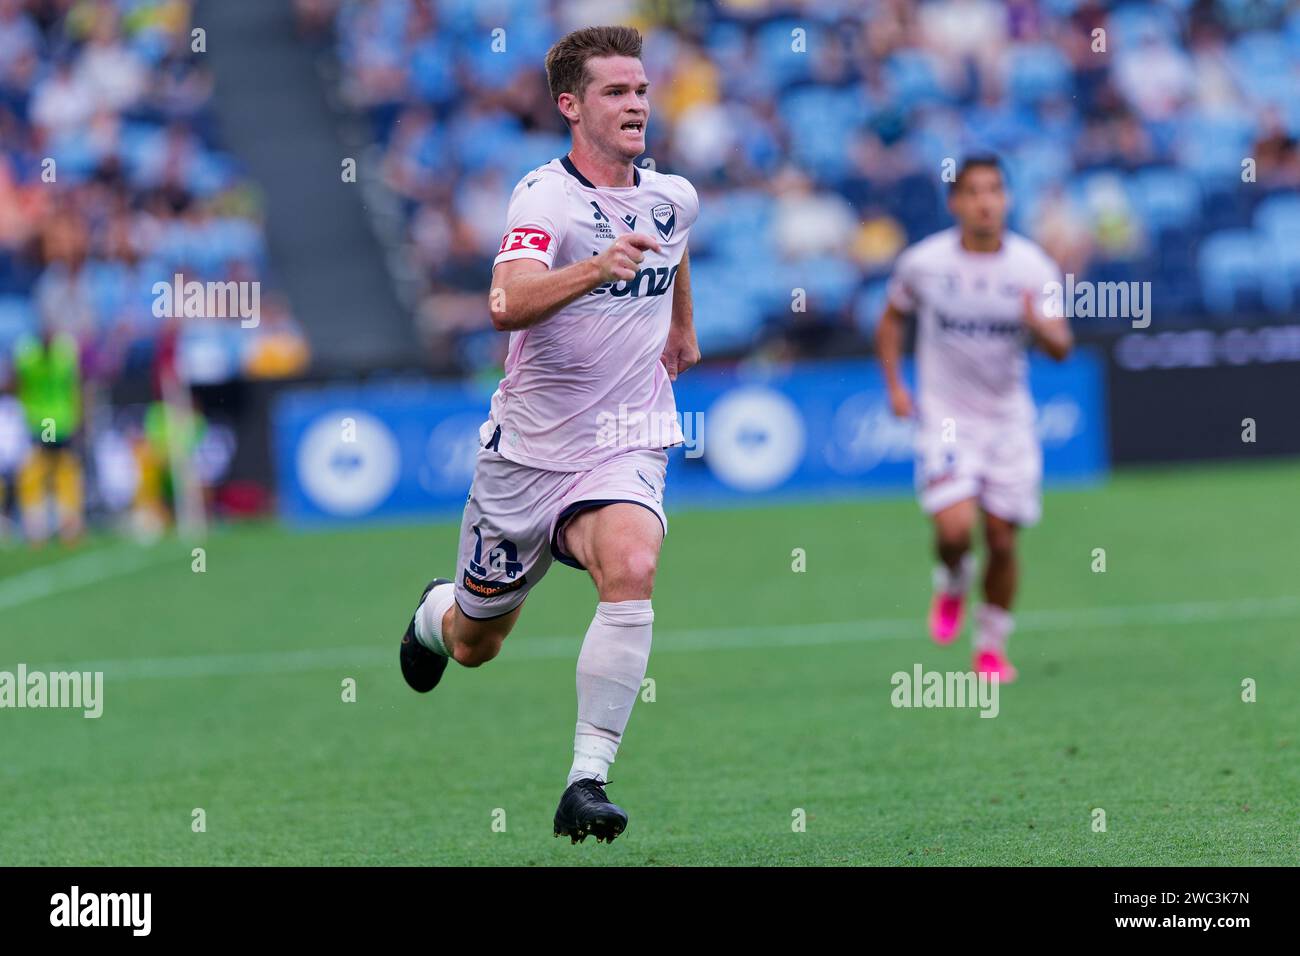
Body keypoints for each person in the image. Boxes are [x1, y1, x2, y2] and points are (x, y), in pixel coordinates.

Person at [396, 26, 699, 844]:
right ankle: (434, 614)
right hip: (527, 456)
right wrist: (594, 270)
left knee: (633, 562)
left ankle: (586, 779)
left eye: (640, 89)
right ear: (571, 105)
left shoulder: (674, 195)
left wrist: (681, 326)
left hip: (628, 433)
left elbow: (672, 248)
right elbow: (504, 304)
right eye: (615, 91)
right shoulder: (544, 200)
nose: (636, 103)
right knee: (475, 642)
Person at [876, 155, 1073, 682]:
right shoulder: (925, 263)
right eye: (974, 192)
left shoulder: (1032, 267)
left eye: (995, 191)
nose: (986, 202)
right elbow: (891, 320)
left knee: (1004, 540)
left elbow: (1062, 346)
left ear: (1007, 199)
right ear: (955, 203)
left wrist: (1040, 325)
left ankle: (990, 646)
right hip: (945, 418)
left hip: (1008, 421)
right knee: (957, 529)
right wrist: (896, 386)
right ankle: (953, 579)